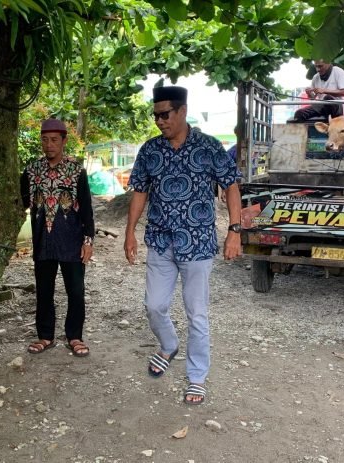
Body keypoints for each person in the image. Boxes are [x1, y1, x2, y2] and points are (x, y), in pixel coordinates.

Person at [124, 86, 242, 405]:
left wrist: (235, 231)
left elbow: (231, 185)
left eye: (165, 114)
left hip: (198, 244)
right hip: (161, 241)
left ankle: (197, 377)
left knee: (197, 314)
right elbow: (140, 191)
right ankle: (169, 345)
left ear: (182, 111)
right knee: (154, 306)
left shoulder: (208, 146)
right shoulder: (150, 150)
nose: (159, 121)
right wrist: (129, 232)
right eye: (155, 116)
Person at [20, 118, 95, 357]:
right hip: (43, 242)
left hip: (72, 242)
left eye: (54, 140)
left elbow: (87, 209)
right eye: (45, 140)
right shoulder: (32, 171)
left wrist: (88, 241)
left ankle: (75, 336)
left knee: (76, 291)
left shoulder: (76, 170)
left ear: (64, 141)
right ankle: (45, 336)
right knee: (44, 291)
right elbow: (21, 203)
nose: (49, 144)